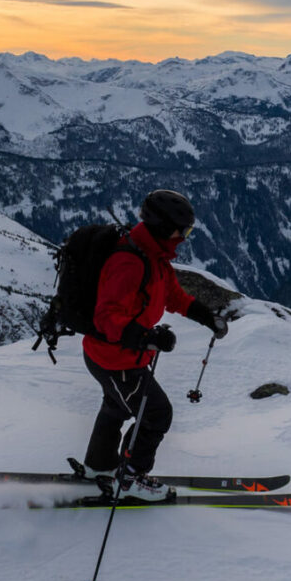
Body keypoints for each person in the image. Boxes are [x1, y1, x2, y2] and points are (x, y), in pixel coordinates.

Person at [80, 189, 228, 499]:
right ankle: (131, 478)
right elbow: (106, 317)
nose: (184, 237)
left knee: (116, 406)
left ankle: (100, 464)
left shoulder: (154, 257)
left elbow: (172, 296)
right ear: (163, 227)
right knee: (157, 414)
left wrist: (206, 316)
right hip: (116, 358)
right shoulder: (130, 262)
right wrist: (147, 337)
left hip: (117, 355)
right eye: (182, 230)